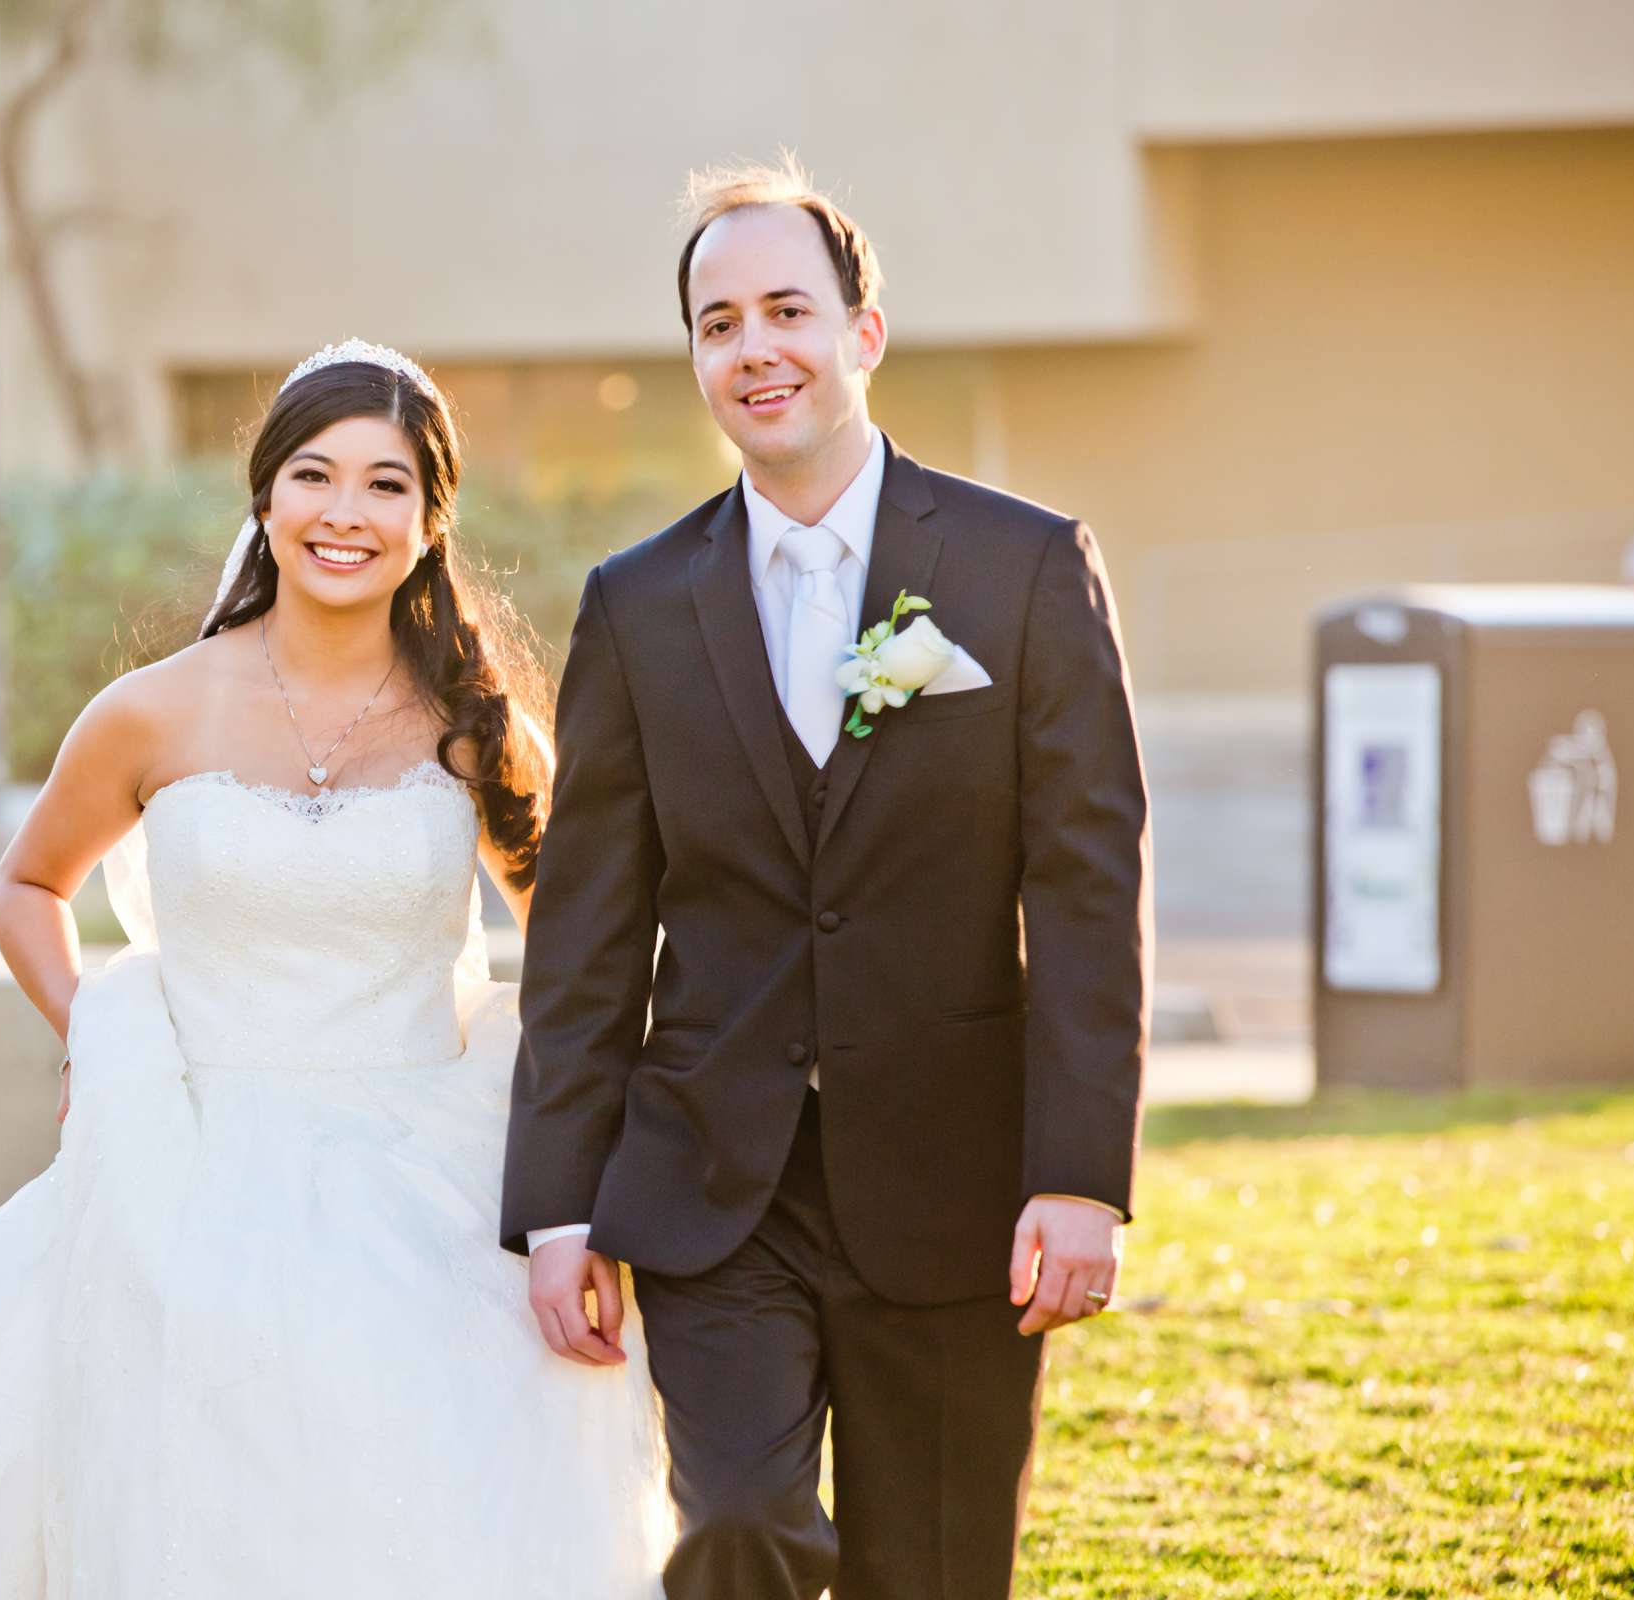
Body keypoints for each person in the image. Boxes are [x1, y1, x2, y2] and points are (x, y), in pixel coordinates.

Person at [0, 341, 671, 1598]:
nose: (344, 513)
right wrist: (96, 1031)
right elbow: (28, 885)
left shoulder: (477, 730)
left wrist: (586, 1158)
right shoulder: (151, 711)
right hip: (186, 1154)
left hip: (433, 1167)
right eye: (314, 476)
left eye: (386, 485)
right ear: (265, 501)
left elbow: (583, 951)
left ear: (430, 520)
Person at [504, 160, 1153, 1600]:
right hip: (714, 1184)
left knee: (932, 1570)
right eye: (718, 323)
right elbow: (595, 927)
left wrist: (1078, 1176)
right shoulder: (637, 604)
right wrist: (558, 1203)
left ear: (864, 331)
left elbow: (1089, 890)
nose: (755, 350)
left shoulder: (1024, 567)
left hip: (958, 1182)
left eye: (786, 310)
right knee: (737, 1529)